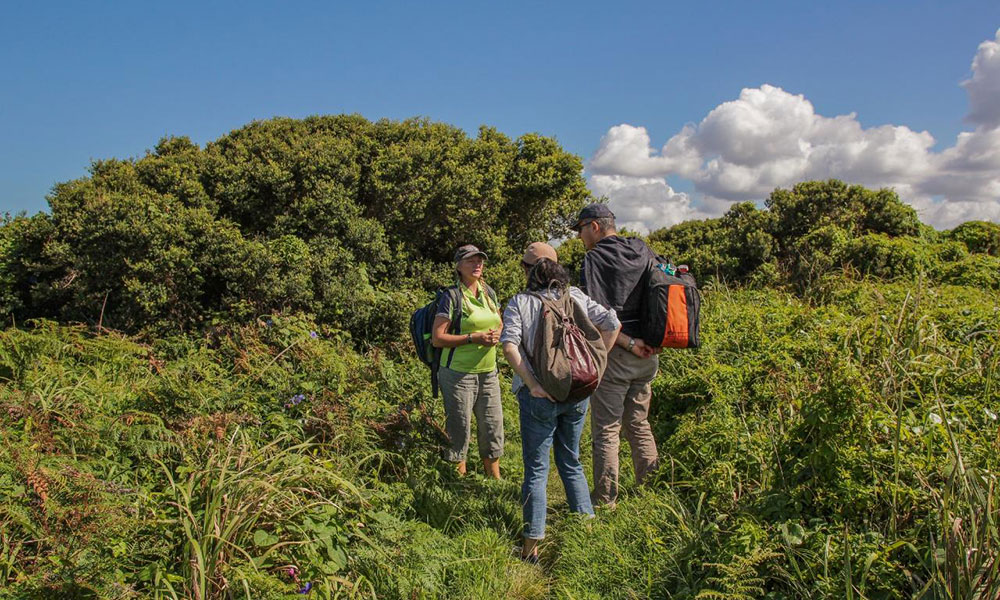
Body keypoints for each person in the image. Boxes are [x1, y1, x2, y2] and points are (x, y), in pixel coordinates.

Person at [501, 242, 621, 563]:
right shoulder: (576, 296)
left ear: (528, 271)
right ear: (556, 269)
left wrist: (534, 385)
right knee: (571, 461)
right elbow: (612, 323)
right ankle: (587, 533)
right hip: (578, 393)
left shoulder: (521, 303)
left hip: (540, 396)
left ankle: (530, 551)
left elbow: (510, 346)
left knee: (536, 472)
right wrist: (597, 367)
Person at [574, 203, 660, 507]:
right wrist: (646, 341)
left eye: (581, 229)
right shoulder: (641, 249)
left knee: (607, 429)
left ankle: (605, 501)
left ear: (595, 226)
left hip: (618, 352)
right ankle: (651, 490)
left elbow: (596, 315)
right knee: (638, 423)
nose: (580, 236)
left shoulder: (594, 259)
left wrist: (627, 343)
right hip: (649, 354)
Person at [431, 244, 504, 479]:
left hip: (488, 372)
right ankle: (458, 481)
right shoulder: (451, 297)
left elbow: (499, 322)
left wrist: (497, 334)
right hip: (458, 374)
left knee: (492, 425)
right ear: (459, 266)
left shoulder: (489, 293)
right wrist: (473, 338)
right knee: (460, 428)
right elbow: (438, 338)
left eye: (480, 260)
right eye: (471, 261)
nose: (477, 264)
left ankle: (494, 479)